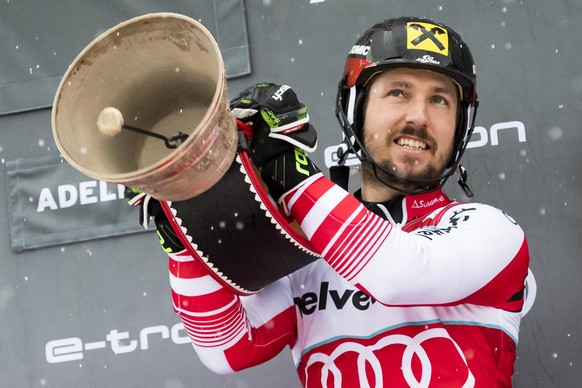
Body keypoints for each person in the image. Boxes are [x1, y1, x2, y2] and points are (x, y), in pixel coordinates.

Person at [131, 17, 532, 387]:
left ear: (461, 125)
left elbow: (398, 273)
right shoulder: (306, 251)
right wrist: (185, 221)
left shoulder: (491, 231)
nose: (419, 117)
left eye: (440, 100)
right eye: (398, 92)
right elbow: (227, 350)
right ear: (354, 110)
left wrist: (286, 168)